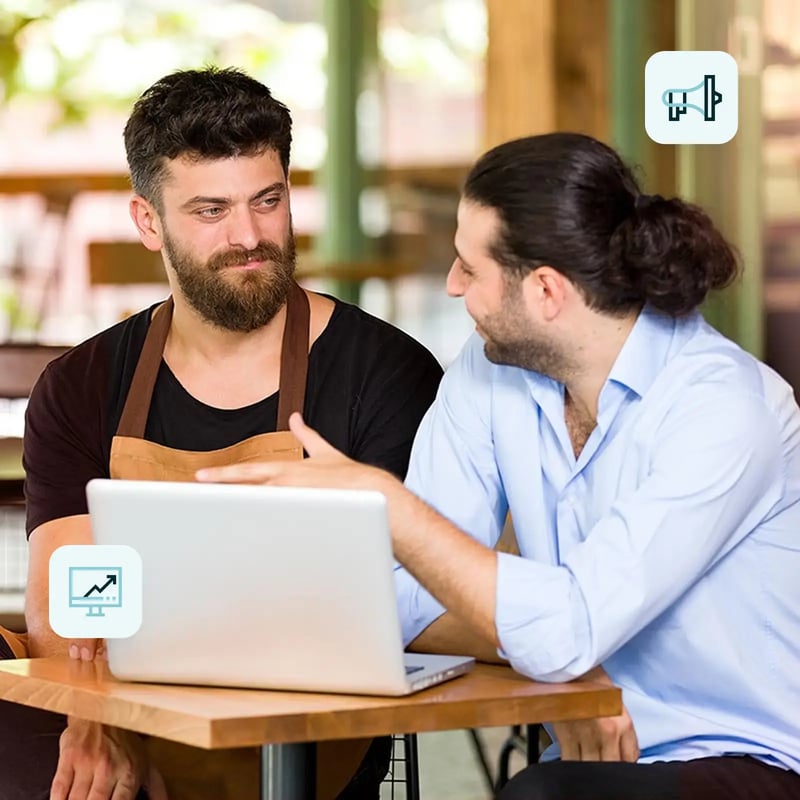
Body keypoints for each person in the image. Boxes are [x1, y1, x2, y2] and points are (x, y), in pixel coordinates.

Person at [198, 132, 800, 800]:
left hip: (749, 757)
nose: (453, 287)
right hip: (580, 759)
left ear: (545, 290)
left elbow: (553, 627)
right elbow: (397, 600)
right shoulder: (490, 373)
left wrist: (388, 508)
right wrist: (570, 660)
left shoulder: (725, 410)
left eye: (470, 269)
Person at [0, 66, 443, 800]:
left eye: (267, 201)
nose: (249, 237)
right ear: (148, 222)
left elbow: (400, 607)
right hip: (119, 711)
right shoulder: (80, 385)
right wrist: (105, 720)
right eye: (210, 210)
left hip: (299, 728)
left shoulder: (386, 372)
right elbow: (69, 603)